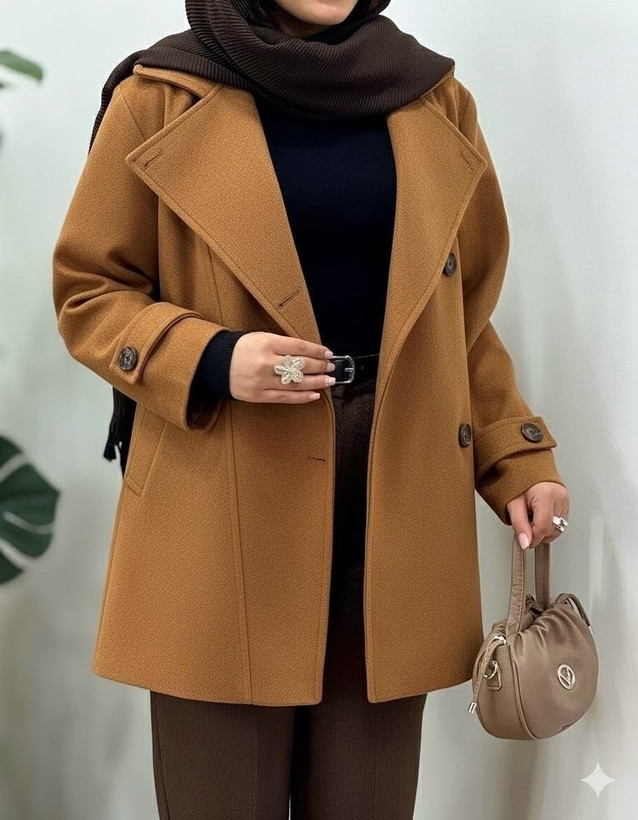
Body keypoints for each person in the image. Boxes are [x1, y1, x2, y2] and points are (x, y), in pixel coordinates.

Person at [51, 1, 571, 817]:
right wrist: (213, 357)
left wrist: (517, 456)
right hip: (226, 504)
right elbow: (90, 291)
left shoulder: (433, 99)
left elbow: (456, 321)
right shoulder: (161, 93)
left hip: (393, 503)